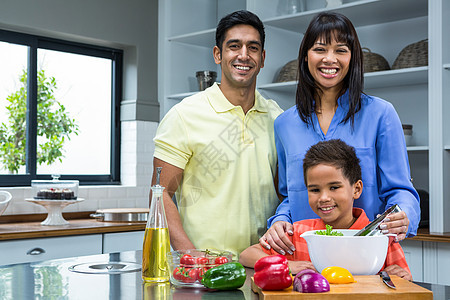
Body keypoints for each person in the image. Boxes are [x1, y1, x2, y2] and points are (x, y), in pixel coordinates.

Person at [260, 12, 420, 256]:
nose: (329, 59)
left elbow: (400, 190)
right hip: (305, 255)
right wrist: (279, 220)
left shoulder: (381, 114)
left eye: (341, 50)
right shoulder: (284, 124)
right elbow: (290, 195)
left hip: (366, 254)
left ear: (353, 57)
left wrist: (404, 214)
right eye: (320, 49)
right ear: (305, 56)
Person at [151, 10, 283, 256]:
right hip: (206, 269)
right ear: (217, 54)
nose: (244, 55)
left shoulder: (277, 117)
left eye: (252, 48)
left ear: (262, 58)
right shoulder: (184, 115)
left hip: (264, 264)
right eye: (234, 46)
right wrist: (191, 258)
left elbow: (282, 192)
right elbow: (161, 196)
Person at [240, 139, 412, 280]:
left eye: (334, 187)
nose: (323, 198)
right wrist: (287, 265)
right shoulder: (299, 233)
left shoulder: (382, 236)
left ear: (356, 189)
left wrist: (401, 277)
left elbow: (405, 279)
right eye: (314, 190)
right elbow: (247, 255)